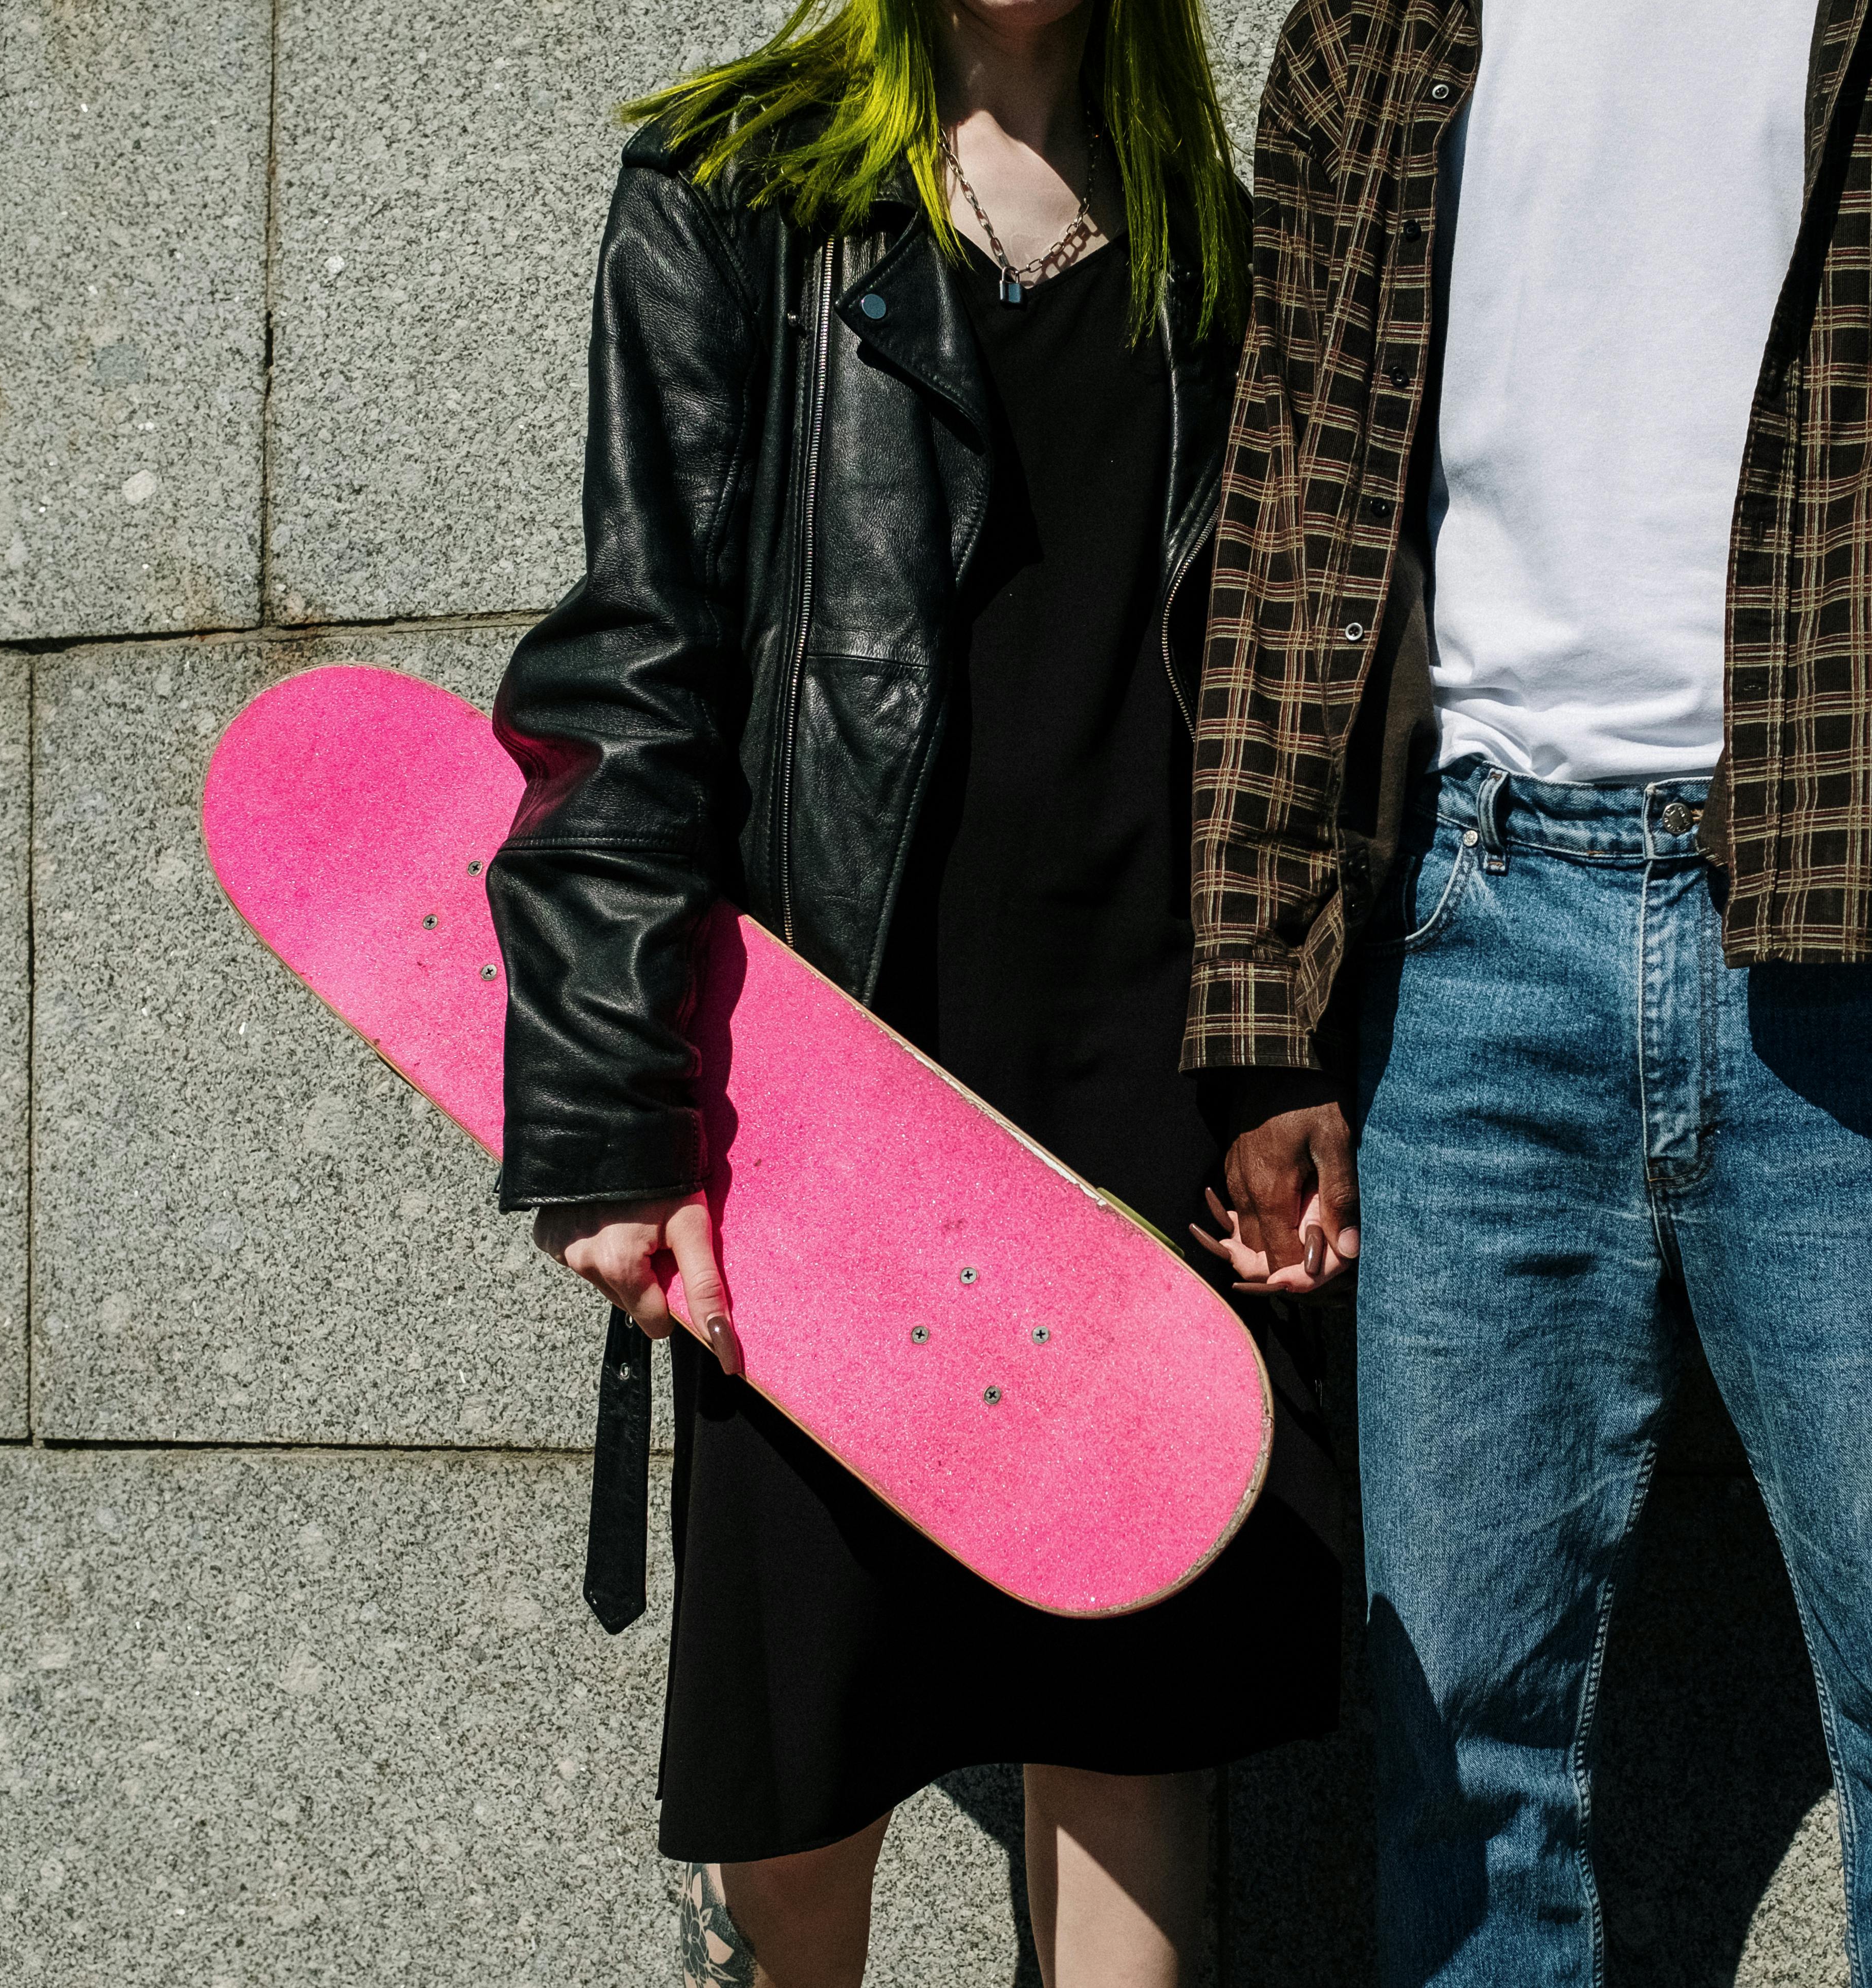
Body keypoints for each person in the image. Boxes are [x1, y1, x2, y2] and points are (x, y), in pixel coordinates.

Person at [1196, 1, 1872, 1982]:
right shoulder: (1377, 20)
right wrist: (1260, 1001)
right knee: (1453, 1746)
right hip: (1470, 934)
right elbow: (1292, 500)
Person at [483, 3, 1340, 1983]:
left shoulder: (1220, 228)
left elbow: (1303, 676)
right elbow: (634, 663)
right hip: (832, 1063)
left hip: (1140, 1053)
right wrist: (617, 1119)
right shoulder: (740, 198)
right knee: (812, 1752)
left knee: (1129, 1697)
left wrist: (1293, 1066)